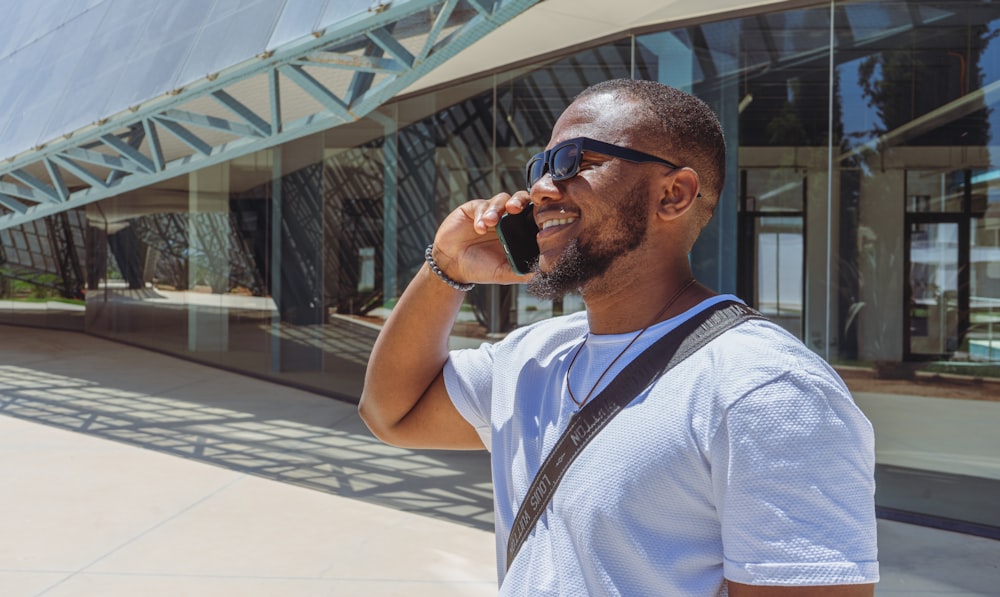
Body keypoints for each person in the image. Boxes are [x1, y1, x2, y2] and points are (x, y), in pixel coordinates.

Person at [359, 79, 879, 596]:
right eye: (540, 168)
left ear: (673, 194)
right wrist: (447, 268)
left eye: (575, 162)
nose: (540, 190)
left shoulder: (766, 388)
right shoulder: (532, 357)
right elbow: (391, 413)